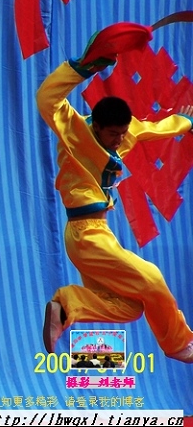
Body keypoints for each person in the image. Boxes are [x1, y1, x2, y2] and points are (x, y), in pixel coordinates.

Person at [37, 37, 193, 364]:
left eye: (122, 133)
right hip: (85, 234)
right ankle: (179, 343)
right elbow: (47, 97)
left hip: (98, 233)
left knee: (130, 306)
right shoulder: (74, 131)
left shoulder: (125, 132)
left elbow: (153, 128)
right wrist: (82, 67)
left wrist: (186, 122)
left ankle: (68, 306)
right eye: (113, 134)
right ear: (97, 127)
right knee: (151, 278)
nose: (120, 140)